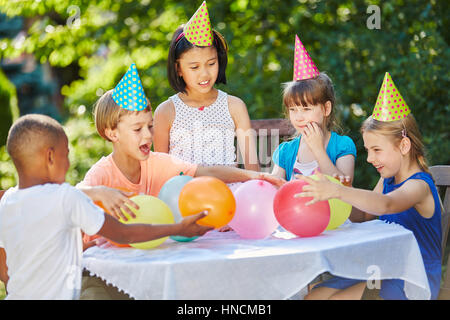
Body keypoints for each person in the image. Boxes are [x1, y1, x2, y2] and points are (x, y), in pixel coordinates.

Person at [0, 114, 213, 300]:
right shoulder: (67, 198)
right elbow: (124, 233)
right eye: (66, 155)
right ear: (50, 157)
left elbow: (31, 252)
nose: (68, 163)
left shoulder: (7, 201)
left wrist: (80, 247)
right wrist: (178, 228)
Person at [79, 62, 284, 242]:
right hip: (100, 264)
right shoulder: (102, 174)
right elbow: (68, 196)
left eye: (150, 126)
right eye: (137, 129)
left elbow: (207, 172)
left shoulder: (158, 163)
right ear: (112, 133)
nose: (148, 135)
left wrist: (257, 175)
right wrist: (99, 192)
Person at [296, 72, 442, 300]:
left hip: (412, 278)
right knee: (315, 294)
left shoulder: (420, 185)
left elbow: (386, 204)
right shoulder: (388, 179)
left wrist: (339, 191)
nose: (369, 158)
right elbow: (364, 216)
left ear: (404, 145)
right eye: (367, 150)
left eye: (376, 150)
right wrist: (333, 200)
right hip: (385, 266)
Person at [153, 1, 259, 171]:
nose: (204, 74)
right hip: (183, 193)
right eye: (194, 67)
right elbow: (161, 171)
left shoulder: (234, 106)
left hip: (227, 192)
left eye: (211, 63)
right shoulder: (166, 112)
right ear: (178, 69)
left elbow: (252, 170)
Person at [271, 35, 356, 183]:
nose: (298, 117)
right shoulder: (286, 151)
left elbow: (345, 188)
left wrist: (318, 150)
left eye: (306, 108)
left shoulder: (342, 146)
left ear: (326, 108)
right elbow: (273, 188)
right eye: (293, 109)